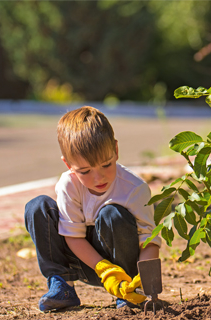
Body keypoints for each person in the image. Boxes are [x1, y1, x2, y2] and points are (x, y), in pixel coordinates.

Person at [24, 106, 161, 312]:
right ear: (68, 164)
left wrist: (144, 278)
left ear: (116, 150)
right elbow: (73, 237)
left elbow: (149, 240)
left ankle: (127, 294)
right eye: (85, 171)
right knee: (37, 207)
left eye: (106, 165)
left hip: (122, 270)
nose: (98, 178)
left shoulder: (134, 189)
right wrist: (104, 269)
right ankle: (62, 286)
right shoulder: (68, 185)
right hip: (84, 263)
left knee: (112, 214)